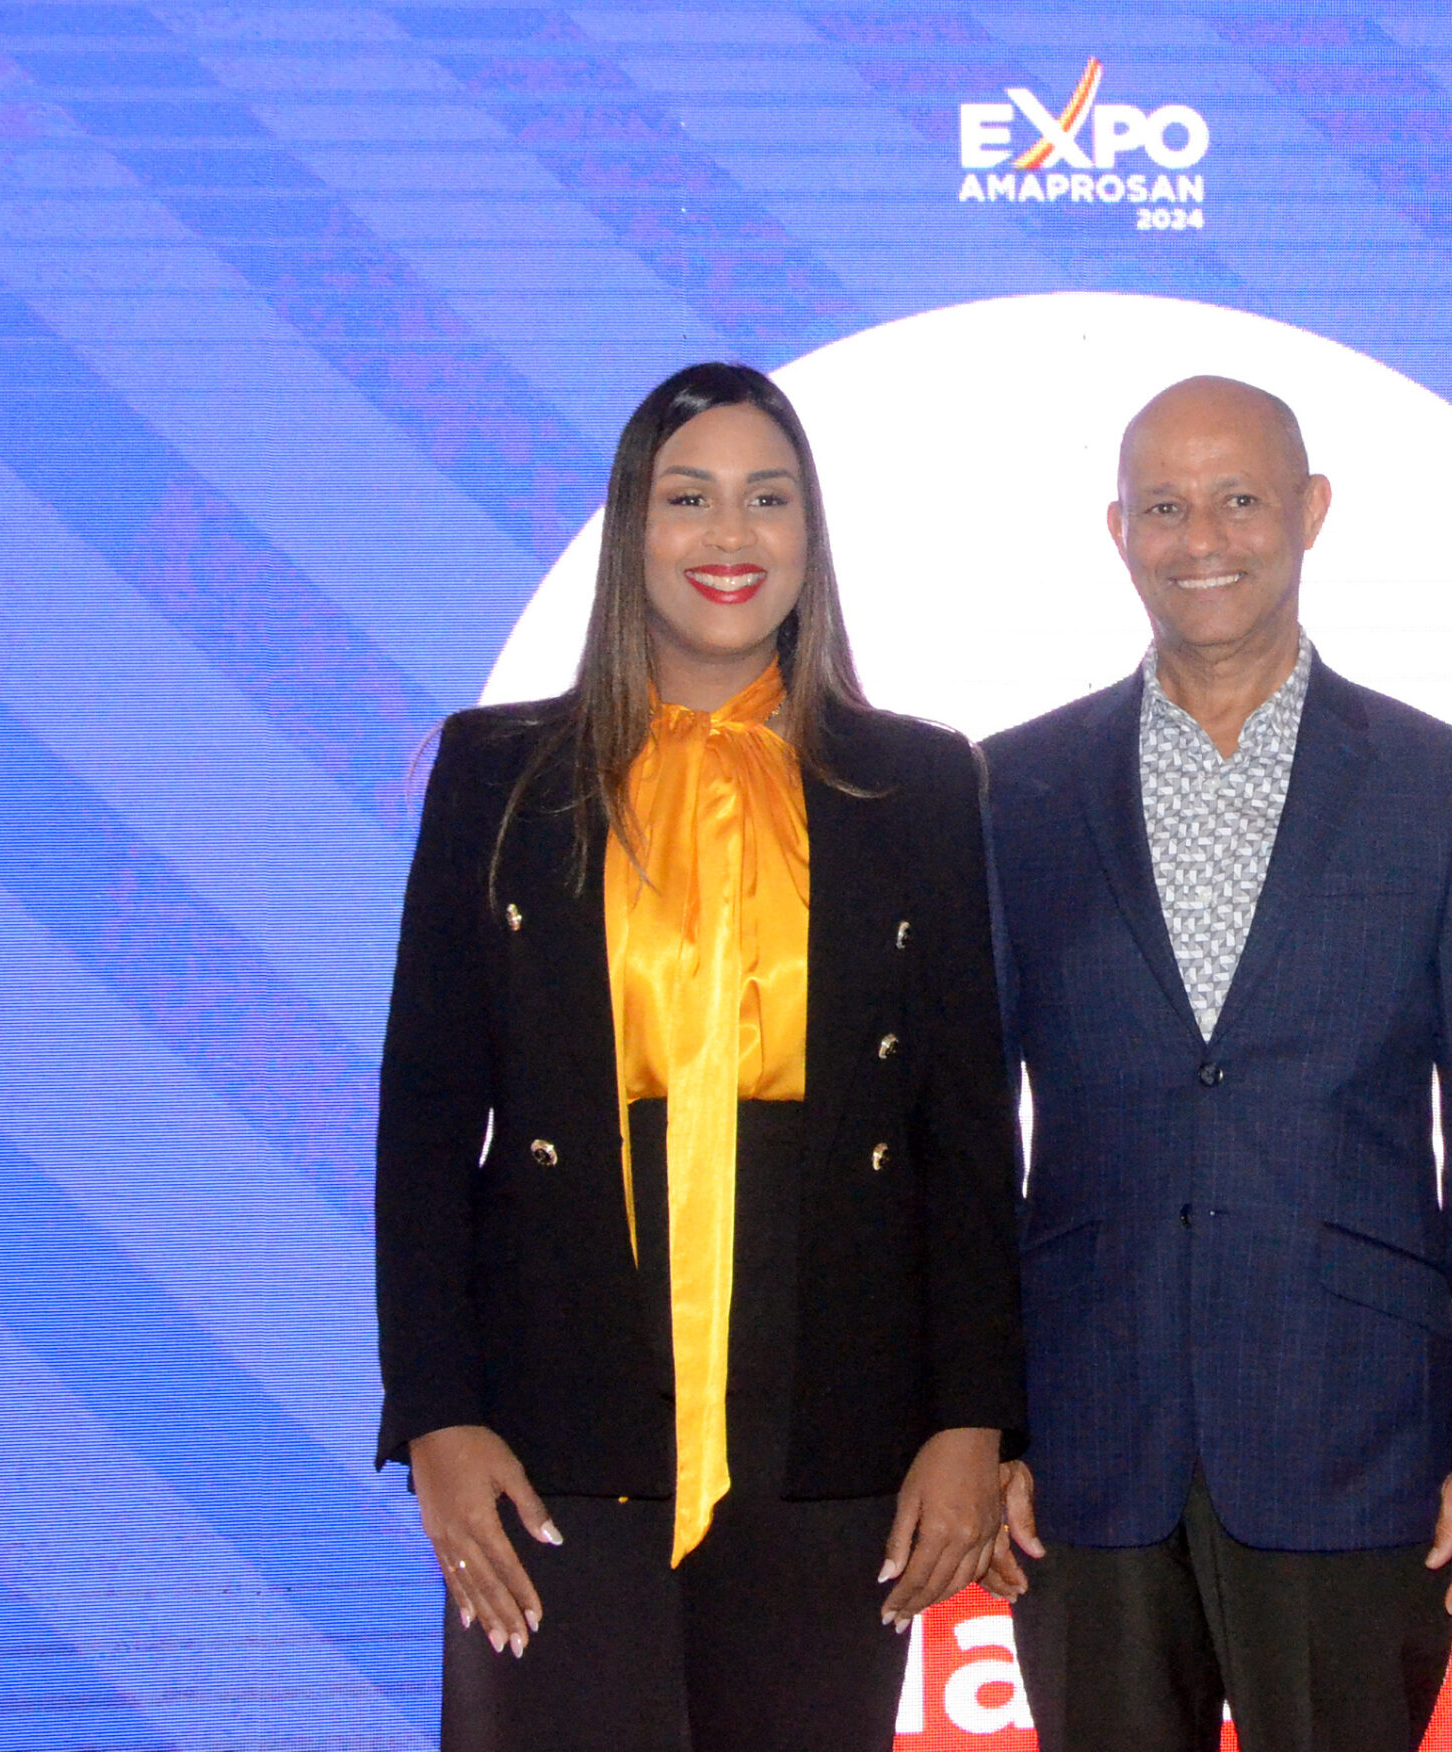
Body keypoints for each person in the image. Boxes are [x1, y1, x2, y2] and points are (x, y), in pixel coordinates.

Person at [374, 361, 1025, 1752]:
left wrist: (973, 1422)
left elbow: (968, 1136)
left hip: (836, 1426)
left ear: (811, 532)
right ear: (633, 527)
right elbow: (423, 1125)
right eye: (690, 498)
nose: (731, 535)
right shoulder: (497, 774)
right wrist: (436, 1417)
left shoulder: (922, 783)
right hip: (551, 1423)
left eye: (767, 499)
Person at [976, 375, 1452, 1752]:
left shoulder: (1449, 790)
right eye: (1165, 507)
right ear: (1117, 530)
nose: (1203, 539)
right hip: (1084, 1452)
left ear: (1311, 511)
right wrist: (980, 1426)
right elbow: (968, 1148)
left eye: (1240, 499)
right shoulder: (1011, 791)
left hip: (1359, 1442)